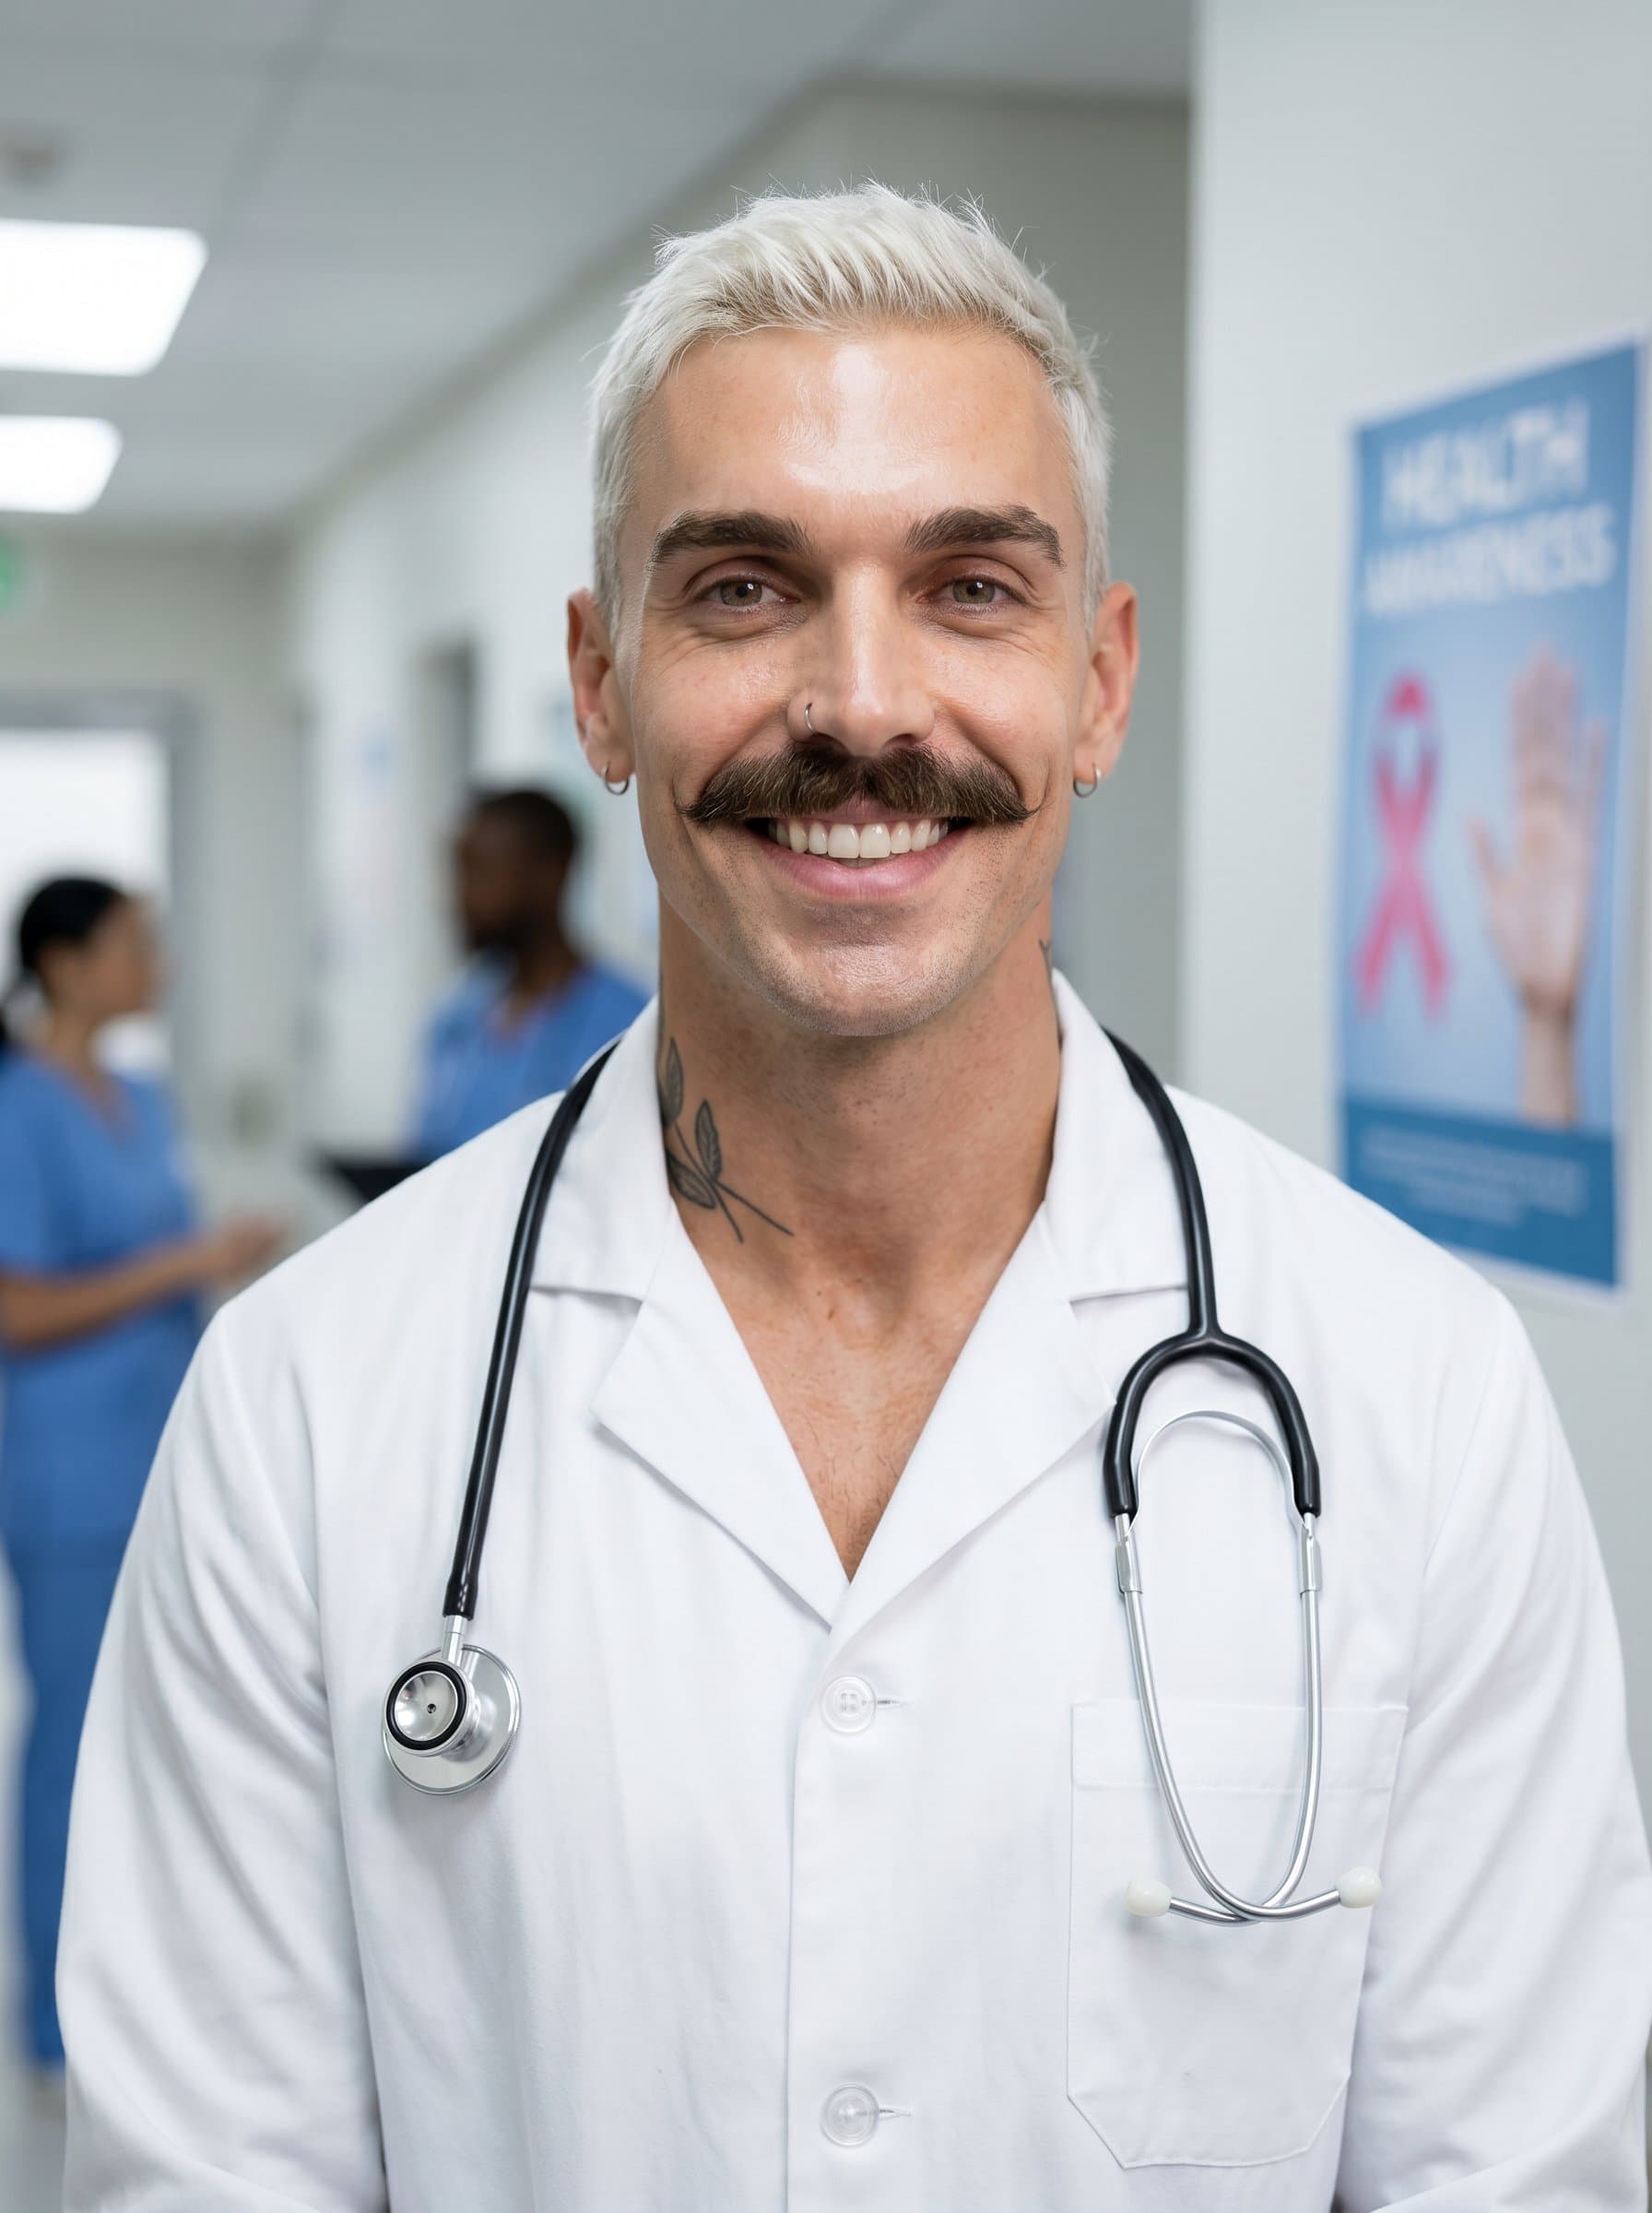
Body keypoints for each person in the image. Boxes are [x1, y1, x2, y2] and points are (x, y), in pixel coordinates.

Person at [59, 188, 1650, 2208]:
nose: (862, 704)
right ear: (602, 680)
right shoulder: (309, 1403)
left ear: (1098, 679)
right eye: (742, 588)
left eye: (971, 586)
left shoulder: (1413, 1392)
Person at [0, 877, 281, 2083]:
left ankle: (153, 1994)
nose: (154, 962)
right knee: (71, 1738)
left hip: (158, 1449)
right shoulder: (22, 1109)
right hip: (68, 1468)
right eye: (132, 945)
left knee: (161, 1733)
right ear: (64, 964)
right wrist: (188, 1263)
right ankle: (58, 2027)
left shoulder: (142, 1096)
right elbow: (17, 1308)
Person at [409, 787, 646, 1157]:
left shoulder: (628, 1025)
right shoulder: (454, 1024)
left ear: (550, 874)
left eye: (481, 871)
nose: (459, 896)